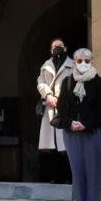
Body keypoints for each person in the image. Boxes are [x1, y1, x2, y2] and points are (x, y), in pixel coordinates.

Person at [51, 48, 101, 201]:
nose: (83, 63)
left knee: (92, 171)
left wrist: (85, 123)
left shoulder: (100, 83)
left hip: (91, 131)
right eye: (79, 60)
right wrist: (70, 123)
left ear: (92, 61)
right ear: (74, 62)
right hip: (72, 133)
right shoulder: (67, 82)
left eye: (87, 60)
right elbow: (61, 109)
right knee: (77, 172)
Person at [37, 38, 73, 182]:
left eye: (60, 46)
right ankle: (54, 177)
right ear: (50, 50)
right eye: (54, 47)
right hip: (50, 107)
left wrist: (62, 98)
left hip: (65, 107)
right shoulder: (46, 65)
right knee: (50, 146)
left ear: (65, 48)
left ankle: (68, 177)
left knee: (65, 144)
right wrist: (48, 94)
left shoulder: (72, 65)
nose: (57, 48)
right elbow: (40, 82)